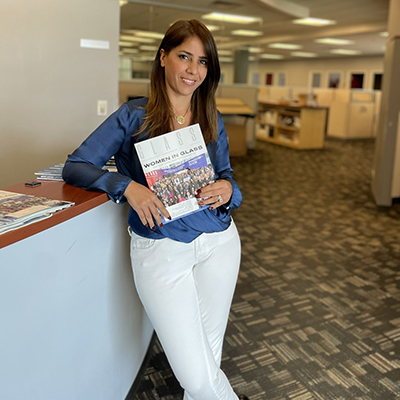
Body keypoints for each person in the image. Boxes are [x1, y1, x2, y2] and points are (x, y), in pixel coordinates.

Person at [62, 19, 248, 400]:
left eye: (202, 62)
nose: (193, 70)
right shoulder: (133, 116)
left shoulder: (210, 115)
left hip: (220, 243)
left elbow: (228, 177)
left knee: (208, 359)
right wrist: (127, 187)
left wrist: (228, 188)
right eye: (184, 57)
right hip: (162, 250)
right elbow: (76, 165)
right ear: (163, 57)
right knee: (195, 376)